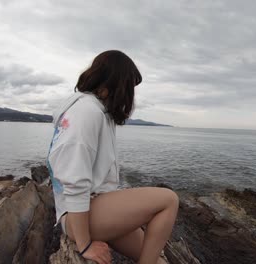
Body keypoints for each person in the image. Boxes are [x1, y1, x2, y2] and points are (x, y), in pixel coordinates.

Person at [46, 50, 179, 264]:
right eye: (129, 87)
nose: (130, 95)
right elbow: (74, 180)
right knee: (168, 200)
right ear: (116, 82)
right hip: (79, 216)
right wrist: (85, 244)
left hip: (94, 209)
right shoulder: (87, 112)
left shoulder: (96, 111)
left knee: (157, 260)